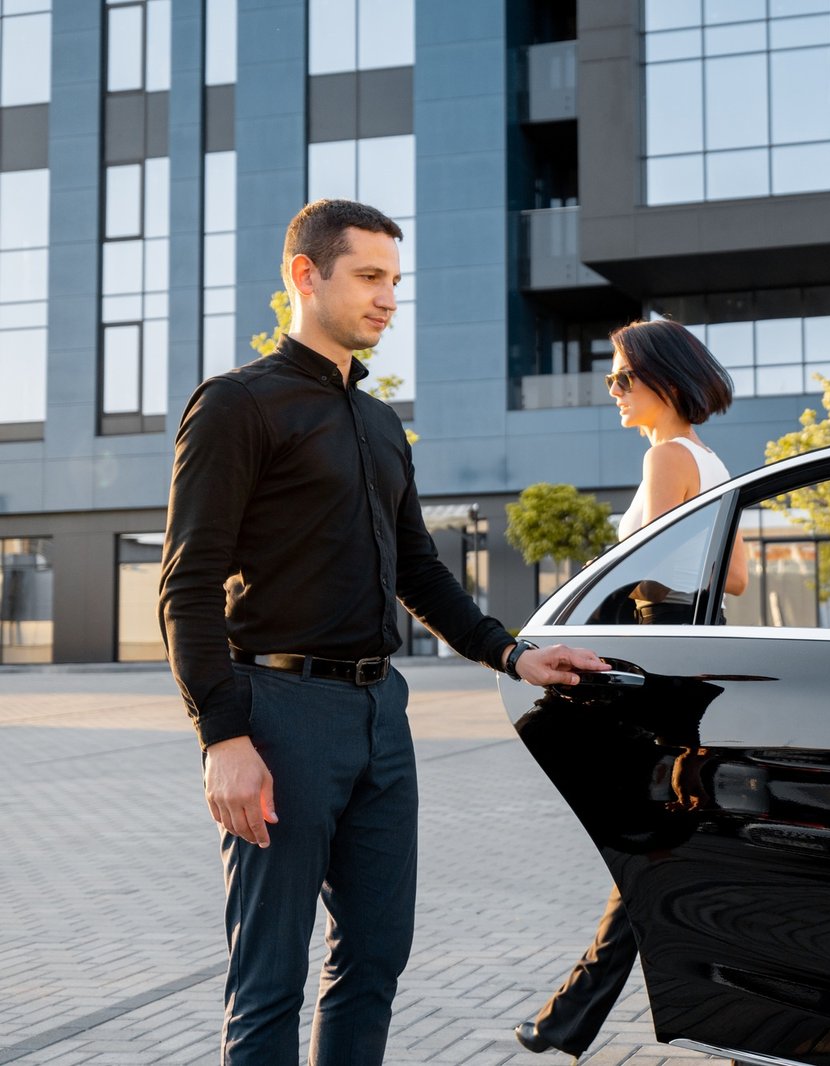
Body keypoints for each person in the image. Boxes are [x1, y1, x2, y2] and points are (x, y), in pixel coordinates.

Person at [159, 197, 608, 1066]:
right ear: (305, 274)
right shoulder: (237, 406)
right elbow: (187, 582)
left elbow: (419, 569)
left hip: (380, 719)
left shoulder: (379, 421)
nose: (388, 300)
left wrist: (511, 653)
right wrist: (224, 735)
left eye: (395, 282)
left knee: (374, 961)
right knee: (268, 981)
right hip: (279, 714)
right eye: (369, 277)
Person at [513, 318, 743, 1058]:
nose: (612, 391)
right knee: (660, 847)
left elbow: (641, 574)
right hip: (691, 661)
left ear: (664, 381)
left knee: (648, 847)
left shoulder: (669, 457)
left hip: (656, 664)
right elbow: (732, 578)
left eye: (621, 378)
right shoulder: (711, 459)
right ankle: (571, 1015)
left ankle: (576, 1015)